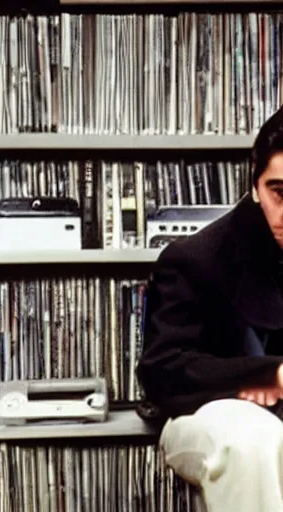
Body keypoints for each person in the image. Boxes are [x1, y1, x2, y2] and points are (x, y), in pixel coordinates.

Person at [137, 105, 283, 512]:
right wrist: (268, 374)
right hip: (210, 414)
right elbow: (162, 370)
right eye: (280, 193)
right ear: (255, 185)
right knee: (252, 442)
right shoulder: (195, 258)